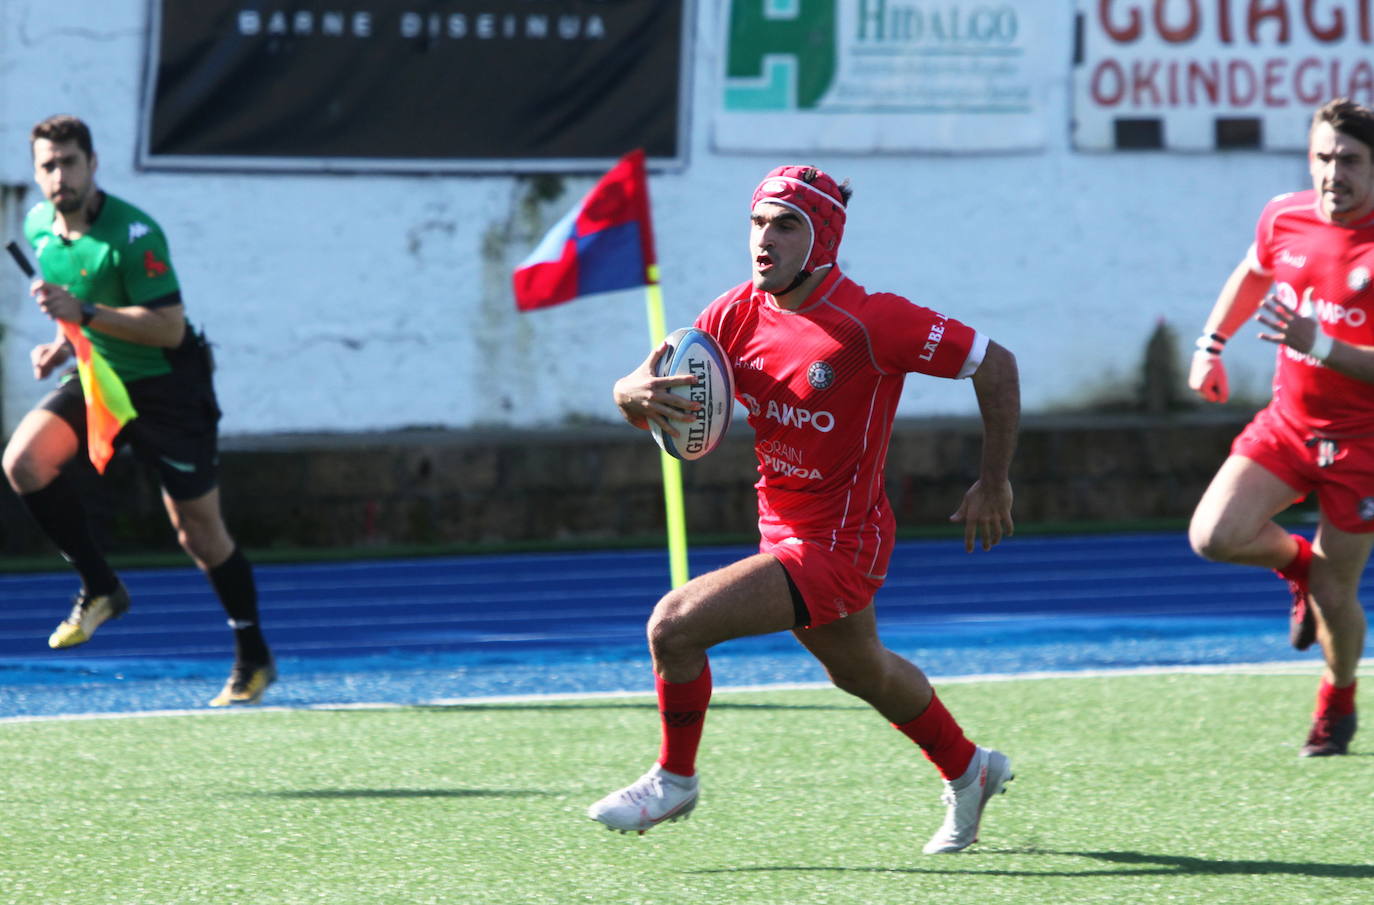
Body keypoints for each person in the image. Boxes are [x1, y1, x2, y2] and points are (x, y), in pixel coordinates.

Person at [589, 165, 1021, 853]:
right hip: (782, 530)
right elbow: (648, 386)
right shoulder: (734, 313)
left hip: (840, 543)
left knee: (673, 626)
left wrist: (994, 480)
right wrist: (627, 394)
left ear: (823, 236)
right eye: (758, 222)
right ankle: (971, 768)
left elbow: (995, 363)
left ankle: (675, 778)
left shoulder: (873, 321)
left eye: (785, 225)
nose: (765, 239)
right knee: (862, 672)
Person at [3, 114, 275, 707]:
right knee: (24, 462)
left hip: (167, 388)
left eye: (69, 162)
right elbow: (76, 313)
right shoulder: (39, 228)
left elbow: (171, 329)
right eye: (47, 165)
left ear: (93, 164)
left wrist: (86, 314)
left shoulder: (134, 235)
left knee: (198, 533)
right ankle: (101, 587)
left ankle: (253, 655)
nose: (59, 175)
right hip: (102, 377)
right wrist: (61, 345)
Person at [1188, 97, 1374, 757]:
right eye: (1323, 157)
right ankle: (1296, 562)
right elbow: (1253, 271)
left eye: (1349, 160)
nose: (1332, 173)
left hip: (1364, 447)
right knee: (1212, 535)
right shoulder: (1284, 214)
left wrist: (1319, 344)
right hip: (1288, 425)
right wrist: (1210, 345)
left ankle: (1339, 695)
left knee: (1337, 592)